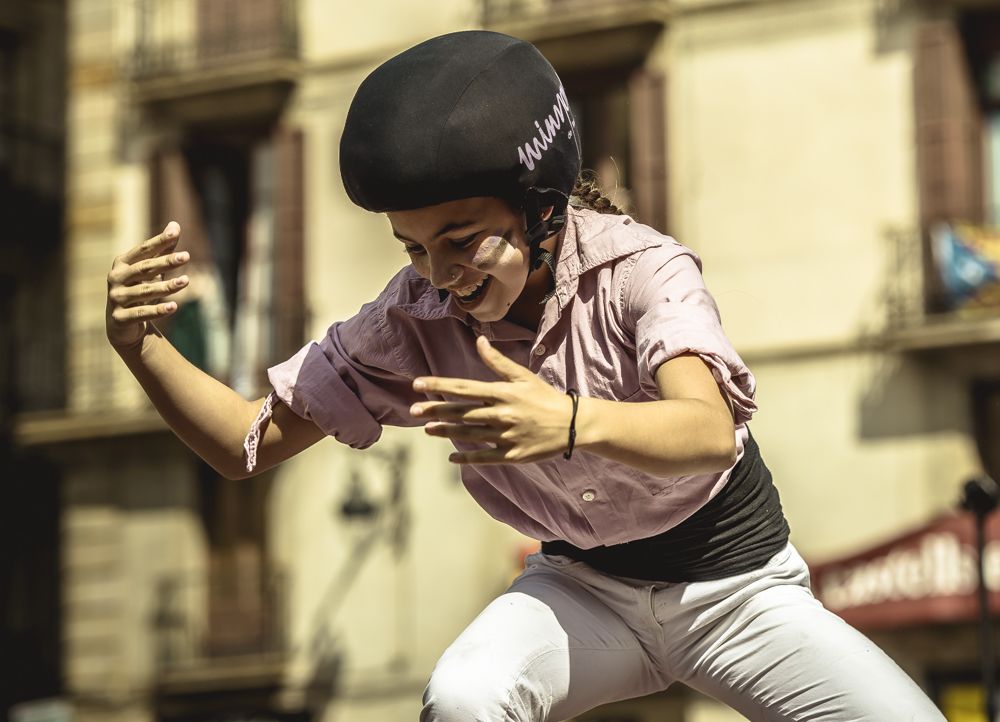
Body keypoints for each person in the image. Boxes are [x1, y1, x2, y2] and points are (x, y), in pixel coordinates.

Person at [106, 30, 946, 722]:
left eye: (463, 240)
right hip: (581, 590)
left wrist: (571, 422)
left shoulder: (642, 270)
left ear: (542, 206)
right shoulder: (409, 317)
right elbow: (242, 447)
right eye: (415, 248)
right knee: (465, 697)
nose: (438, 275)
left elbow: (709, 428)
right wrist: (142, 347)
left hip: (732, 589)